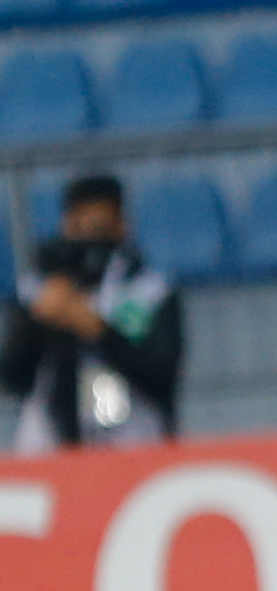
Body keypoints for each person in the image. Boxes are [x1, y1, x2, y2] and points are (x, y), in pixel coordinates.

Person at [1, 174, 184, 455]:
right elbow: (13, 378)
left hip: (132, 442)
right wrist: (39, 320)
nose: (89, 242)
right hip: (49, 446)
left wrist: (96, 328)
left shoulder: (148, 293)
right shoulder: (38, 291)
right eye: (79, 228)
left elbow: (160, 373)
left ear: (121, 225)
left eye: (99, 229)